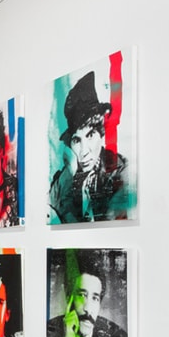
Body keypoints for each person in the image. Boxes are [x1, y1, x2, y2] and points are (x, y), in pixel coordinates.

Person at [48, 71, 128, 223]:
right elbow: (51, 207)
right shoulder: (66, 177)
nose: (84, 152)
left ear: (101, 133)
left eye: (90, 135)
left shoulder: (120, 171)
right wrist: (70, 175)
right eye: (77, 140)